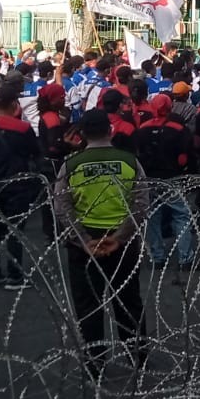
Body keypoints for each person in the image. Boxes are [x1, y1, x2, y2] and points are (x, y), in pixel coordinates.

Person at [52, 110, 151, 378]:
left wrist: (85, 240)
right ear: (110, 130)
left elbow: (62, 208)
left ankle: (95, 362)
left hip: (85, 244)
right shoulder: (129, 161)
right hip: (123, 242)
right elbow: (141, 206)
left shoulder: (71, 165)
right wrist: (118, 238)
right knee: (128, 300)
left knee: (89, 306)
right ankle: (138, 355)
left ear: (82, 134)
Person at [0, 87, 39, 290]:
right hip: (18, 182)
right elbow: (35, 153)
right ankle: (15, 275)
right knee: (15, 229)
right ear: (14, 104)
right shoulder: (23, 128)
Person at [134, 94, 195, 275]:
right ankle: (186, 258)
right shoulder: (178, 129)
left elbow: (138, 154)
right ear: (170, 108)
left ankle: (157, 258)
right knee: (181, 216)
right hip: (173, 178)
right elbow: (187, 155)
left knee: (153, 217)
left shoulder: (142, 129)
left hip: (150, 179)